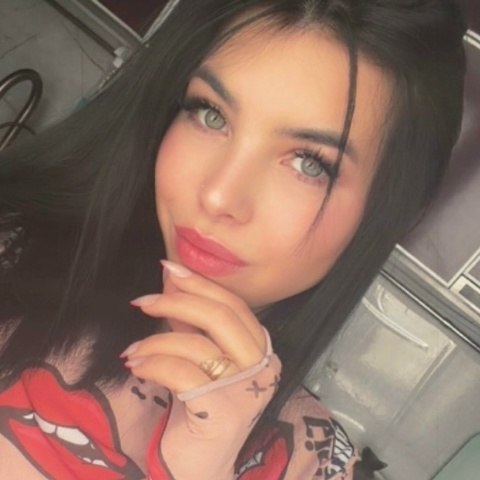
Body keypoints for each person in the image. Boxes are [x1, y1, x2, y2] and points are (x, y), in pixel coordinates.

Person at [0, 0, 467, 479]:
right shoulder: (11, 254)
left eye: (309, 163)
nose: (219, 195)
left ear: (394, 211)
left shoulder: (317, 463)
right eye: (210, 114)